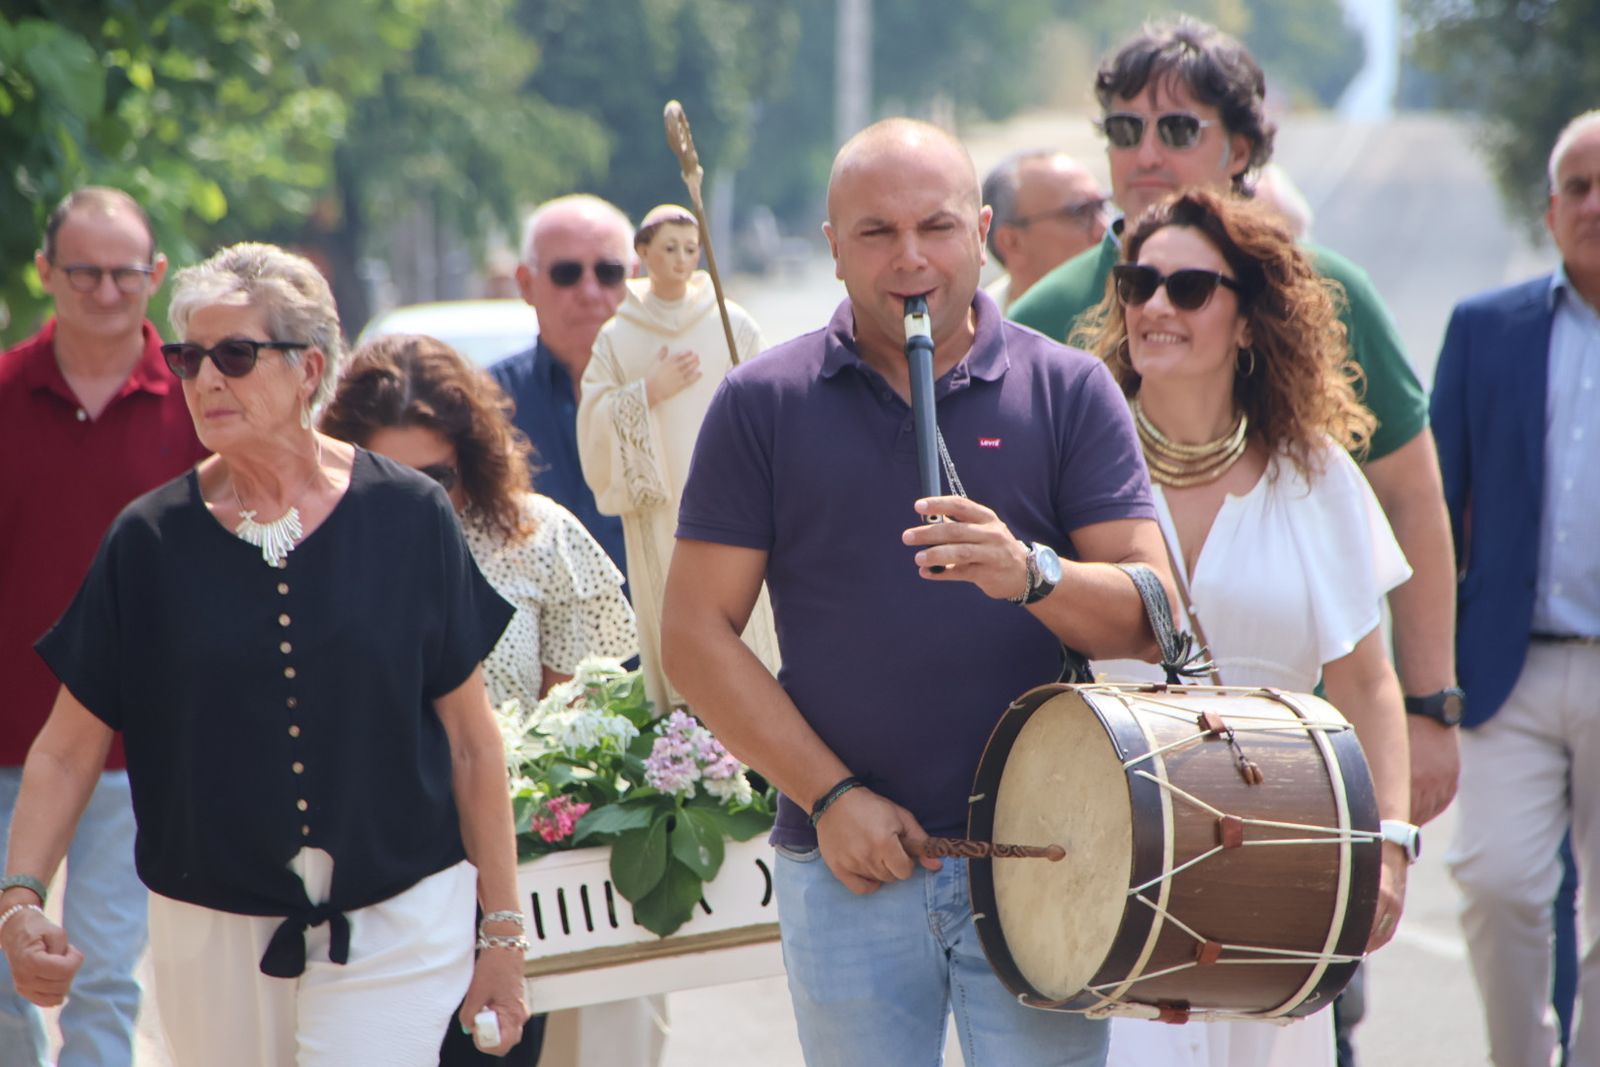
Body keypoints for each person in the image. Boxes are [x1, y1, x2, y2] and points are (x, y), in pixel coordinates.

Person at [661, 117, 1170, 1067]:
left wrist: (1031, 573)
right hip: (847, 862)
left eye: (936, 227)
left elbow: (1153, 616)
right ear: (832, 247)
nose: (910, 258)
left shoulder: (1069, 390)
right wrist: (831, 796)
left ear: (983, 232)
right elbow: (694, 635)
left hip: (1049, 856)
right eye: (876, 232)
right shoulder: (763, 402)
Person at [0, 242, 529, 1066]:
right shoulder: (149, 540)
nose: (208, 379)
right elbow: (68, 750)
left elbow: (470, 741)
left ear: (308, 367)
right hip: (209, 924)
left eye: (237, 355)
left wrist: (502, 933)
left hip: (401, 911)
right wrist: (21, 899)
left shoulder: (409, 514)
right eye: (190, 358)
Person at [1007, 16, 1462, 836]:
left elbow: (1409, 501)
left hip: (1294, 784)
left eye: (1177, 129)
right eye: (1124, 130)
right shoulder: (1041, 316)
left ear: (1241, 148)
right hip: (1105, 802)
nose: (1146, 153)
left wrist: (1430, 705)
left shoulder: (1334, 297)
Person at [1081, 188, 1414, 1067]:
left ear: (1247, 322)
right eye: (1138, 283)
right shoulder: (1075, 463)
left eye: (1189, 288)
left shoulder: (1316, 476)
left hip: (1280, 866)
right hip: (1111, 865)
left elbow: (1367, 681)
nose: (1156, 305)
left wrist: (1391, 844)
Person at [322, 332, 638, 1067]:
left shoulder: (538, 537)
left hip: (506, 881)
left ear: (473, 457)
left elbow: (577, 725)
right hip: (367, 888)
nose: (414, 500)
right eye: (386, 475)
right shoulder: (315, 553)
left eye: (436, 478)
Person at [0, 187, 209, 1067]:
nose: (107, 291)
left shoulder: (202, 401)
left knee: (105, 972)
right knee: (7, 971)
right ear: (45, 272)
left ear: (156, 274)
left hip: (140, 744)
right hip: (7, 736)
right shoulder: (4, 392)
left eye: (126, 272)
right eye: (84, 272)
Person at [1432, 109, 1600, 1067]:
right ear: (1549, 211)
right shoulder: (1484, 330)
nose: (1594, 203)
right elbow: (1430, 513)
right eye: (1577, 186)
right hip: (1511, 668)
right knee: (1496, 885)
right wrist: (1426, 680)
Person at [577, 204, 778, 715]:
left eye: (691, 249)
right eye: (669, 248)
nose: (682, 259)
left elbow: (772, 396)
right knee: (676, 610)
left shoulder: (731, 322)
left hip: (731, 497)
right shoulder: (618, 338)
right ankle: (686, 736)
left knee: (744, 610)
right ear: (643, 253)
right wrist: (646, 393)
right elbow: (593, 422)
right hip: (662, 508)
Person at [490, 195, 633, 577]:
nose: (590, 292)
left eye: (609, 272)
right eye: (567, 273)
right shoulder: (484, 405)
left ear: (634, 277)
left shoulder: (680, 391)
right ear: (526, 284)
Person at [981, 150, 1108, 309]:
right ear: (1012, 242)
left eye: (1101, 207)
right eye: (1080, 212)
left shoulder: (1133, 311)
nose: (1105, 229)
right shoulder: (975, 321)